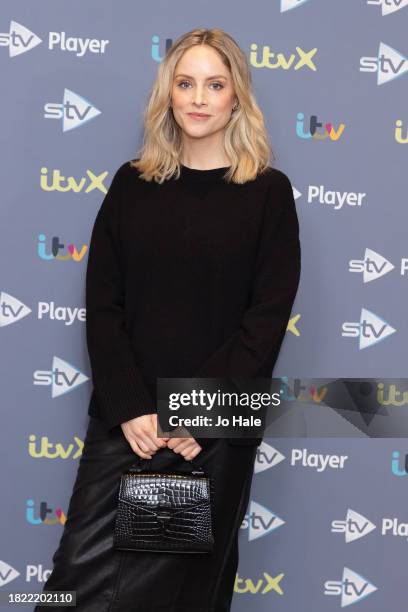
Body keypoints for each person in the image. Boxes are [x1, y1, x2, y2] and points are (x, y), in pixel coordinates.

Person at [34, 27, 301, 612]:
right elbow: (104, 307)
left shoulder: (267, 194)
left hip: (208, 431)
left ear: (236, 97)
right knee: (79, 590)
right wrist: (132, 408)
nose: (199, 98)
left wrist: (195, 414)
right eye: (186, 83)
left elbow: (265, 321)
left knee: (173, 597)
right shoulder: (132, 185)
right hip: (128, 422)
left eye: (214, 84)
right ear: (169, 94)